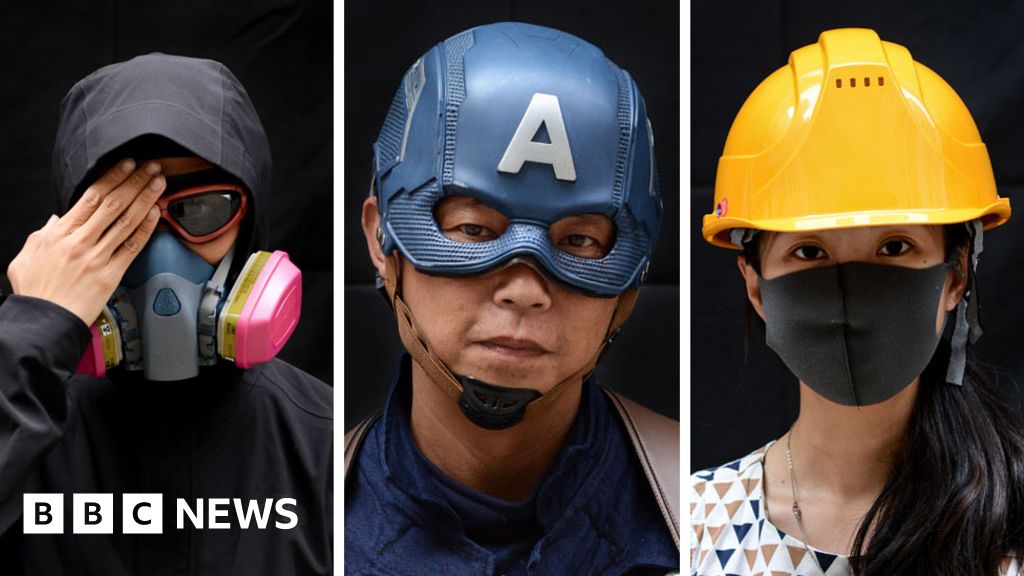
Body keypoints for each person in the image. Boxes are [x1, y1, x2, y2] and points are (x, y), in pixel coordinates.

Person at [344, 22, 680, 574]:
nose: (525, 292)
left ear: (631, 278)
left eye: (579, 242)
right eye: (473, 230)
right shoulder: (304, 524)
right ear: (384, 241)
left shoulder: (706, 519)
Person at [690, 28, 1024, 575]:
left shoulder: (1012, 521)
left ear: (956, 275)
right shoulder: (695, 523)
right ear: (756, 286)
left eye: (894, 247)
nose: (849, 290)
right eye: (809, 251)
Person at [0, 54, 332, 574]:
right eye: (117, 219)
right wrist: (29, 336)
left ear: (250, 224)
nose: (159, 253)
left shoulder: (326, 448)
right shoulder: (23, 428)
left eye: (200, 209)